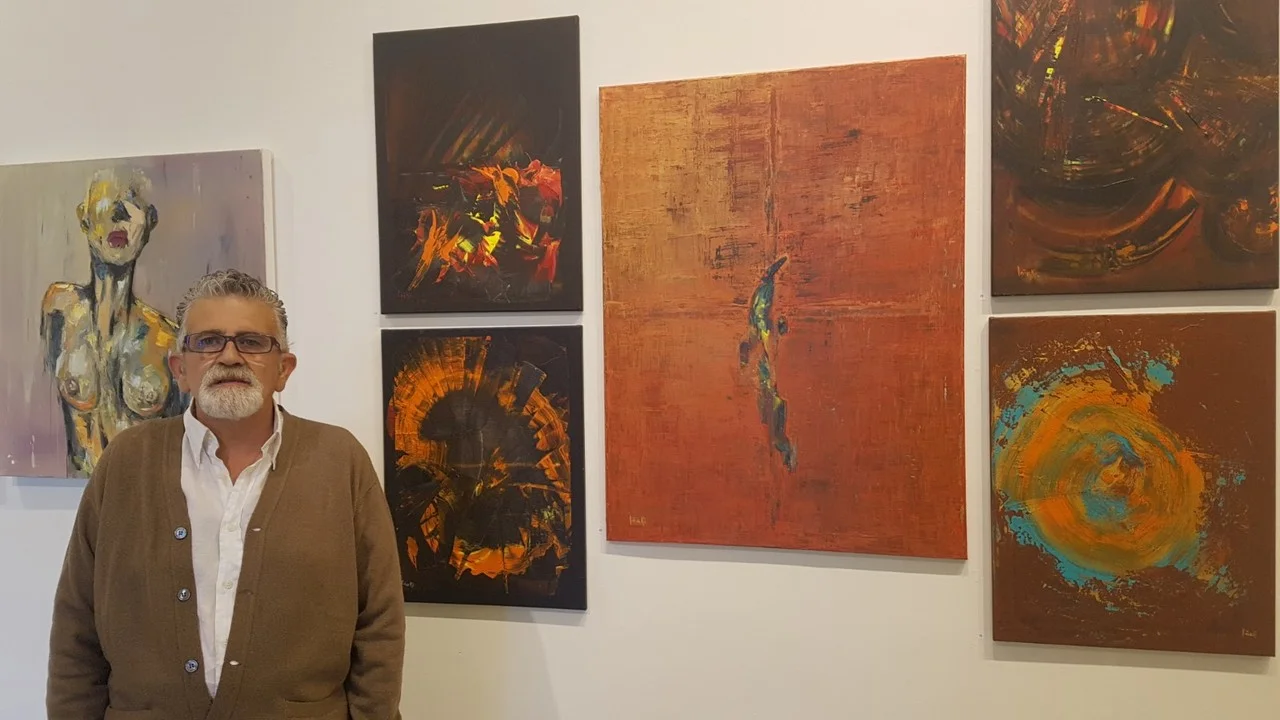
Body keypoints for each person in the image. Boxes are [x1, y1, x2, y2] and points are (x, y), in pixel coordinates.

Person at [46, 268, 406, 719]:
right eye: (208, 341)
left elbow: (380, 621)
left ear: (284, 369)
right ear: (180, 369)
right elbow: (77, 623)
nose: (230, 356)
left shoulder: (339, 460)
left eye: (252, 342)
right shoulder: (126, 462)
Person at [41, 167, 187, 478]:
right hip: (70, 495)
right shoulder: (59, 309)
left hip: (140, 494)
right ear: (84, 219)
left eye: (132, 202)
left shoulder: (169, 340)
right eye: (106, 200)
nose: (119, 213)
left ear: (150, 222)